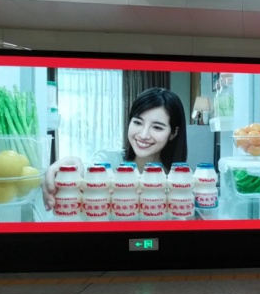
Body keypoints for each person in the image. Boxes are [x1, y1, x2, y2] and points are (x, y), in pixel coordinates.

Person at [42, 87, 188, 210]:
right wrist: (71, 164)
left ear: (173, 133)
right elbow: (83, 175)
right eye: (138, 122)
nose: (143, 135)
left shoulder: (178, 181)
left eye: (157, 127)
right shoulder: (108, 161)